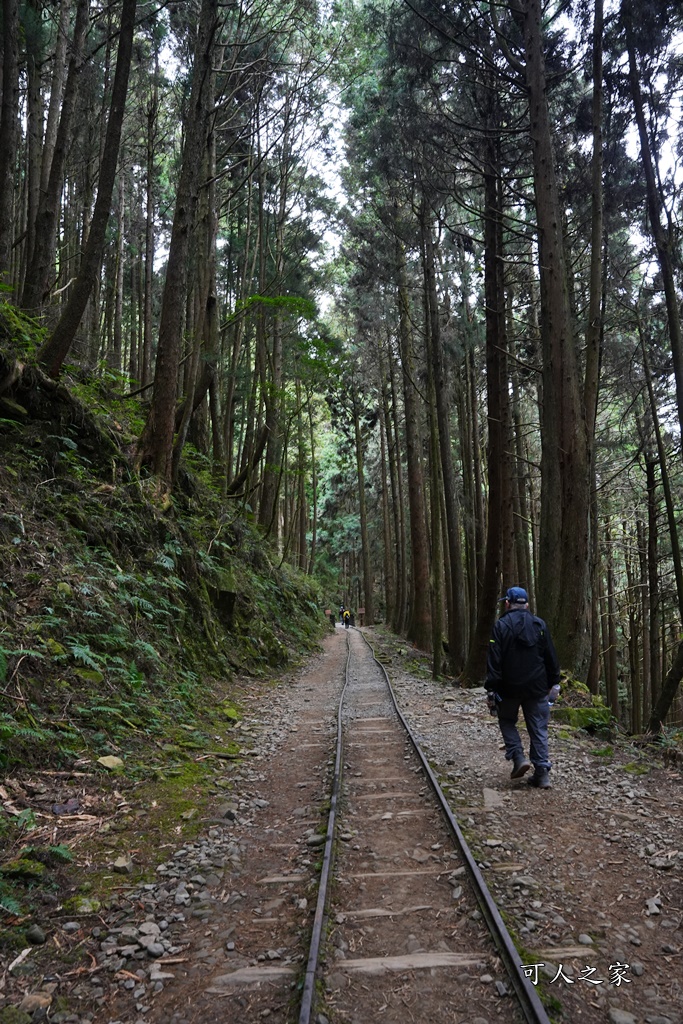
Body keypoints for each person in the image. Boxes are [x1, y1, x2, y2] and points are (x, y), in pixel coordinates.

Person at [485, 586, 560, 789]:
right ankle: (542, 773)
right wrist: (554, 682)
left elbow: (494, 660)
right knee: (538, 727)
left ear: (508, 604)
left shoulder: (500, 626)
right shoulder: (540, 625)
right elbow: (550, 656)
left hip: (508, 688)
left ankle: (518, 757)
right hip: (537, 687)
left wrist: (491, 688)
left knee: (507, 721)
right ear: (526, 605)